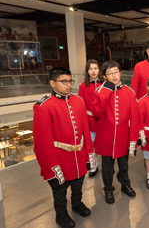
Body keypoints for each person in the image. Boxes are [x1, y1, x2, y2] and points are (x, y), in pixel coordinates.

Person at [33, 67, 95, 228]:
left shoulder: (78, 101)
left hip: (78, 156)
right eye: (64, 81)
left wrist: (89, 156)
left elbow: (85, 132)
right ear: (52, 83)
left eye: (70, 81)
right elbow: (42, 143)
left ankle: (77, 204)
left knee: (78, 185)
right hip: (59, 159)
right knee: (59, 191)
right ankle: (61, 215)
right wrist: (52, 168)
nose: (69, 85)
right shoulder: (43, 106)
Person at [91, 60, 139, 204]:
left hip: (124, 136)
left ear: (120, 73)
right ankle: (108, 189)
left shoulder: (130, 92)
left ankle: (125, 185)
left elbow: (135, 119)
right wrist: (108, 89)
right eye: (110, 73)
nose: (114, 76)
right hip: (106, 137)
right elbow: (96, 112)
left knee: (124, 165)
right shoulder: (100, 91)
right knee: (107, 168)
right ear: (104, 77)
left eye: (116, 72)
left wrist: (133, 140)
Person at [78, 59, 103, 177]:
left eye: (95, 68)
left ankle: (108, 164)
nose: (93, 71)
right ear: (87, 71)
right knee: (92, 145)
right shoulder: (83, 86)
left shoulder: (105, 84)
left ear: (99, 70)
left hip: (104, 119)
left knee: (104, 143)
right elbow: (80, 106)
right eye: (90, 69)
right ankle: (94, 166)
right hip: (90, 120)